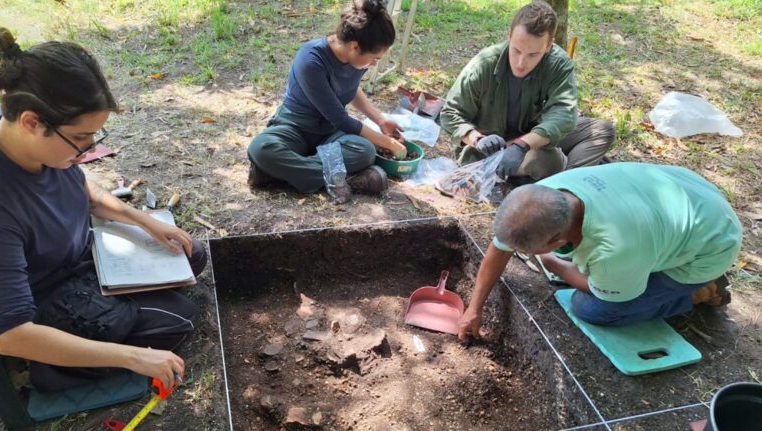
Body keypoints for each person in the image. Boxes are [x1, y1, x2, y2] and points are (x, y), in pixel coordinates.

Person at [0, 28, 206, 392]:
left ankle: (114, 321)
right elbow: (9, 335)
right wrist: (133, 357)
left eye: (95, 139)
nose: (88, 151)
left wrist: (146, 222)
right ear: (31, 122)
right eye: (80, 140)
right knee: (179, 317)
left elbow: (83, 189)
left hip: (83, 256)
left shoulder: (42, 148)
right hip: (47, 297)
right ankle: (50, 369)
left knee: (191, 254)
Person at [458, 162, 742, 341]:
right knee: (590, 270)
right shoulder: (542, 198)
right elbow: (500, 247)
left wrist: (554, 265)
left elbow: (598, 290)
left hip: (711, 243)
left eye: (530, 250)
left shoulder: (614, 247)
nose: (520, 252)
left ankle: (698, 291)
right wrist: (474, 307)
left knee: (592, 308)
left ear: (556, 241)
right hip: (687, 194)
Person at [247, 0, 407, 203]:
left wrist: (380, 120)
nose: (375, 63)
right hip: (296, 126)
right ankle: (345, 177)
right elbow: (342, 119)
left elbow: (351, 88)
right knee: (261, 149)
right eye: (375, 58)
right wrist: (389, 143)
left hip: (330, 133)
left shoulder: (357, 59)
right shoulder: (311, 59)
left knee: (365, 151)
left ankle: (277, 174)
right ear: (355, 46)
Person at [440, 1, 615, 184]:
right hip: (492, 150)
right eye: (516, 51)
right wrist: (477, 139)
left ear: (549, 46)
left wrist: (522, 145)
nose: (521, 63)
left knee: (601, 131)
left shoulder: (558, 64)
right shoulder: (485, 63)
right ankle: (558, 177)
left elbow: (564, 115)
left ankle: (566, 186)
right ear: (509, 36)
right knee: (548, 160)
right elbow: (450, 113)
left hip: (532, 138)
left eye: (533, 55)